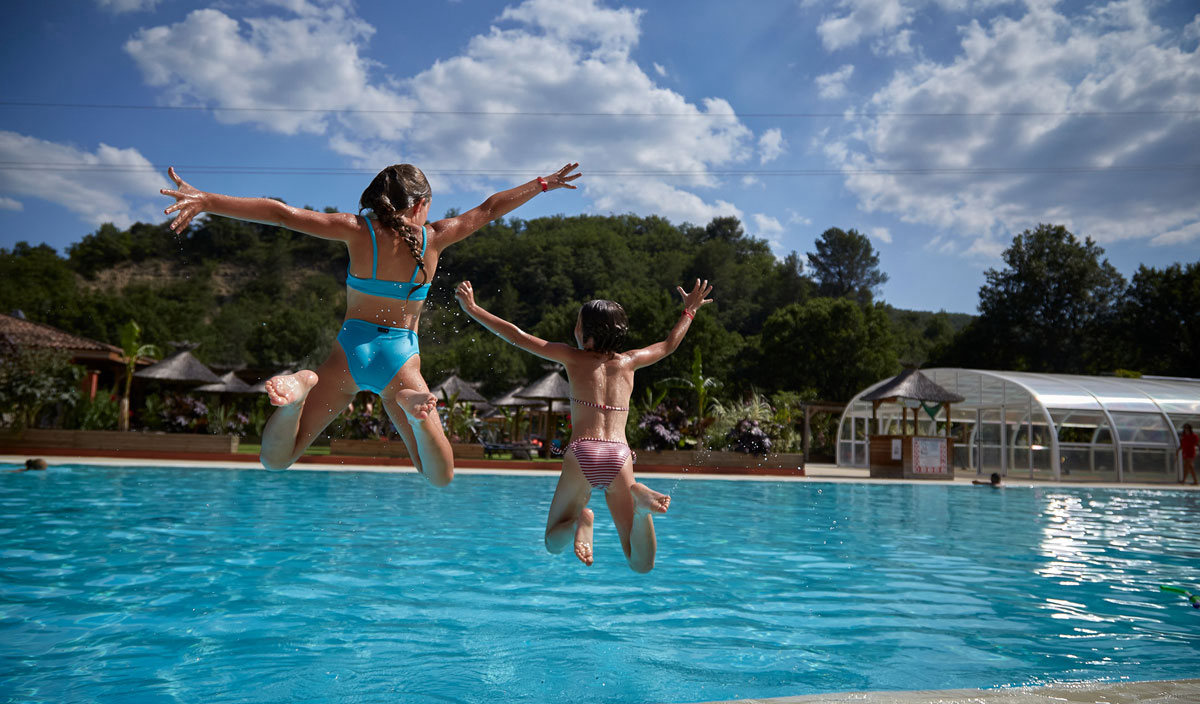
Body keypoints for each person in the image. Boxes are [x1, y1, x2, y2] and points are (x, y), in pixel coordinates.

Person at [161, 163, 581, 481]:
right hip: (400, 362)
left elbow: (282, 214)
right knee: (439, 474)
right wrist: (543, 184)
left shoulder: (358, 231)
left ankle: (298, 391)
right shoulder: (434, 237)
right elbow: (490, 208)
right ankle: (416, 411)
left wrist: (208, 201)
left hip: (349, 354)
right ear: (420, 205)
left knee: (275, 460)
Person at [455, 278, 714, 572]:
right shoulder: (630, 362)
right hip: (620, 456)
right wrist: (689, 311)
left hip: (583, 452)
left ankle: (581, 520)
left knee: (553, 542)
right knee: (641, 564)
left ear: (585, 333)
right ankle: (642, 510)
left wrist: (473, 309)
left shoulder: (571, 357)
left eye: (578, 324)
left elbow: (517, 335)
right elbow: (669, 345)